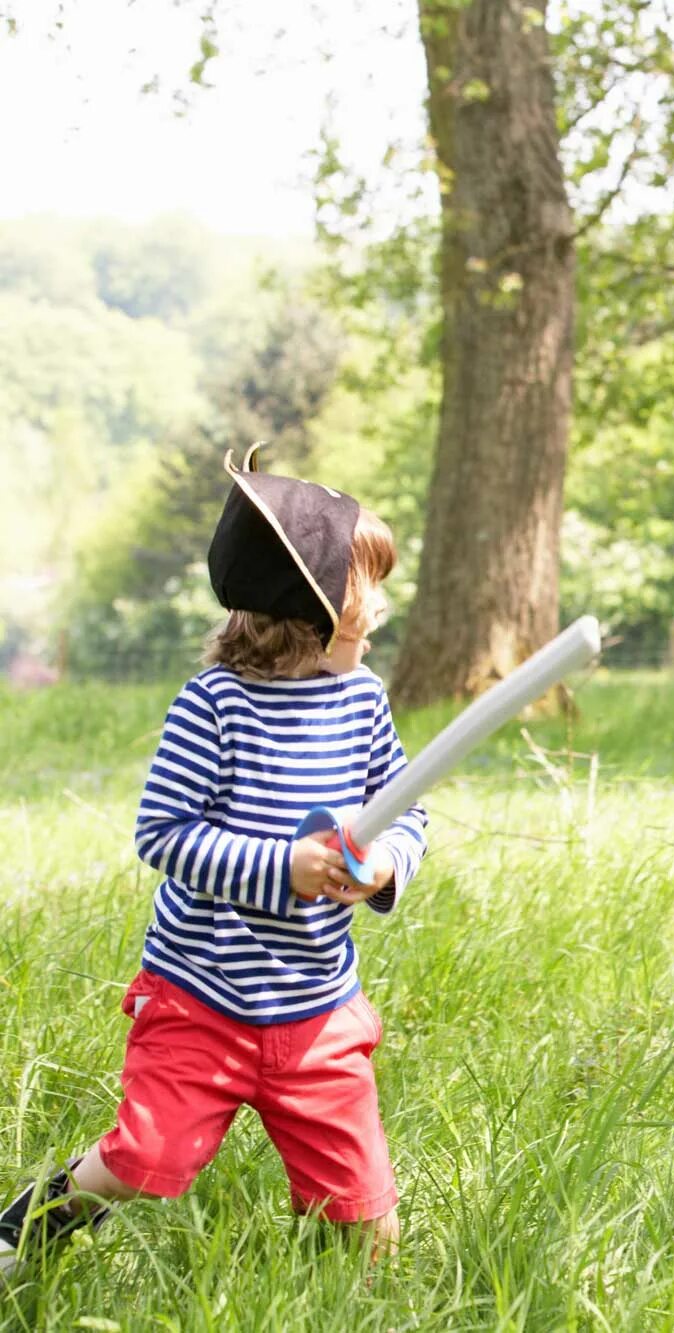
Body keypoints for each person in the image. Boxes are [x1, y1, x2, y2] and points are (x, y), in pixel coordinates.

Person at [0, 448, 429, 1275]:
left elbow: (407, 805)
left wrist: (383, 866)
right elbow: (163, 833)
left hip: (314, 1008)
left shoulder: (363, 701)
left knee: (367, 1206)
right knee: (141, 1159)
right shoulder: (216, 703)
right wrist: (283, 868)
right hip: (203, 999)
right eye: (366, 580)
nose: (380, 601)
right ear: (311, 599)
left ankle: (368, 1305)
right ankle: (22, 1233)